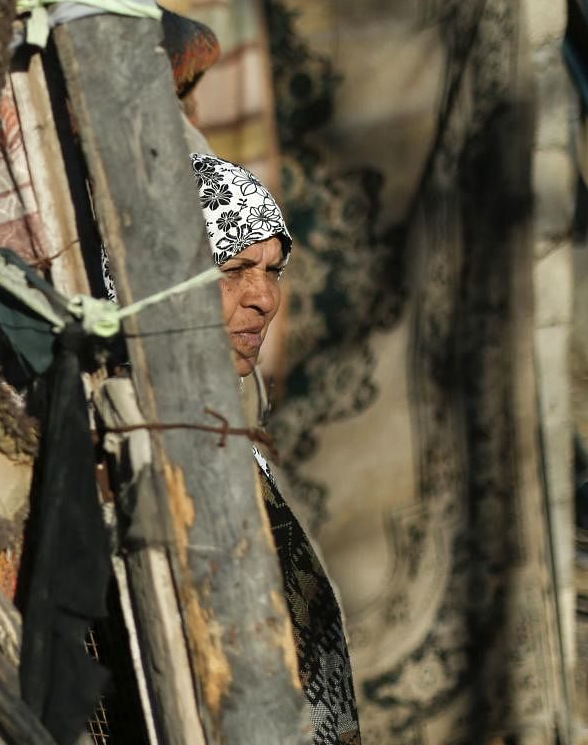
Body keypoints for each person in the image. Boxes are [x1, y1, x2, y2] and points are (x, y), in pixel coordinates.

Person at [190, 152, 362, 744]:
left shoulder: (228, 435)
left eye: (275, 270)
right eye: (235, 267)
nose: (264, 298)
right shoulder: (142, 451)